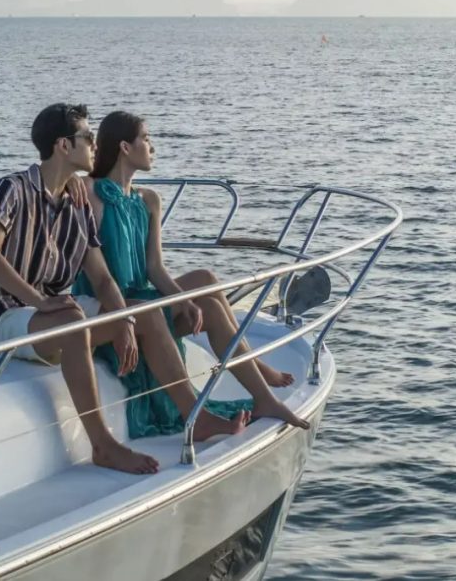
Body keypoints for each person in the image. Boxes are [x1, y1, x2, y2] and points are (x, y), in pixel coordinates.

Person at [0, 103, 248, 475]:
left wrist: (123, 322)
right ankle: (103, 445)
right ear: (63, 146)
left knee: (141, 313)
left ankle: (195, 416)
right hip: (3, 317)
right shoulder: (13, 189)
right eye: (87, 137)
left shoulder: (78, 200)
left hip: (49, 311)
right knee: (70, 316)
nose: (94, 144)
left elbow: (101, 278)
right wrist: (39, 301)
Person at [72, 110, 310, 434]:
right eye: (146, 138)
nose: (152, 146)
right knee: (204, 303)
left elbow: (155, 269)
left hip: (143, 291)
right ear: (125, 147)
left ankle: (260, 386)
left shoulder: (149, 200)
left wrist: (183, 299)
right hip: (111, 303)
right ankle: (210, 408)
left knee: (205, 283)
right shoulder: (89, 192)